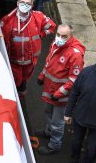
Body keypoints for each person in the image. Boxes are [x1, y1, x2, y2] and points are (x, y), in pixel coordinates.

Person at [36, 24, 85, 155]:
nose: (60, 38)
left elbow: (74, 79)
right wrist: (42, 75)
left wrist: (59, 94)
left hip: (61, 97)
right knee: (48, 113)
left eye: (64, 36)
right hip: (50, 90)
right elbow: (48, 61)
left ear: (70, 36)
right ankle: (48, 132)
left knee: (57, 122)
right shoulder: (56, 43)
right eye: (58, 35)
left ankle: (54, 145)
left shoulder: (75, 55)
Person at [0, 0, 56, 96]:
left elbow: (51, 26)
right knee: (14, 80)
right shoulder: (7, 21)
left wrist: (42, 34)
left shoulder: (38, 17)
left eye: (27, 3)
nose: (24, 5)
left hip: (30, 61)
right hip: (14, 61)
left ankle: (21, 93)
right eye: (22, 2)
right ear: (17, 3)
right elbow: (2, 41)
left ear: (31, 6)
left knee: (24, 80)